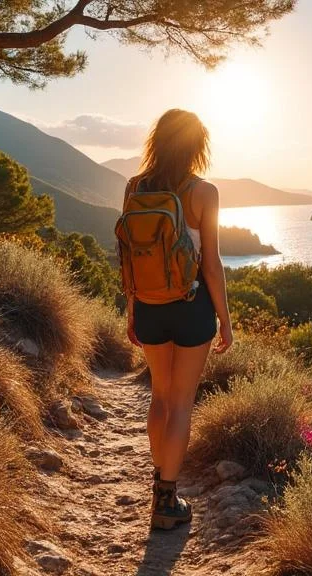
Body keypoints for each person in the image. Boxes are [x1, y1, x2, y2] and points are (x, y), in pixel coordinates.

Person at [120, 109, 234, 530]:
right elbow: (211, 264)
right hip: (191, 306)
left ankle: (160, 480)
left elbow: (130, 257)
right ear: (197, 146)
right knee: (182, 404)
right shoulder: (204, 192)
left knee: (161, 398)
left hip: (148, 305)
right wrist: (225, 319)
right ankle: (166, 501)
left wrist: (132, 309)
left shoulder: (134, 187)